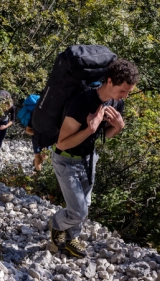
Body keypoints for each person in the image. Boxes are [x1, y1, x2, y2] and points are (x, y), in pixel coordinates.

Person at [49, 58, 139, 258]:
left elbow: (103, 135)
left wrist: (118, 127)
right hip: (66, 159)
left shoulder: (116, 103)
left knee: (85, 204)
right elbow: (62, 143)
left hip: (89, 158)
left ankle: (72, 237)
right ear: (109, 81)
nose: (125, 96)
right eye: (122, 90)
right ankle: (56, 224)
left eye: (128, 92)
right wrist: (90, 128)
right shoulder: (81, 103)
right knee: (78, 211)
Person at [0, 90, 15, 162]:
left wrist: (5, 126)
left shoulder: (12, 107)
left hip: (4, 122)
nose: (5, 109)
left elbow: (13, 120)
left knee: (1, 138)